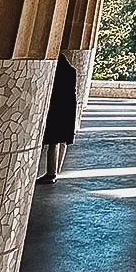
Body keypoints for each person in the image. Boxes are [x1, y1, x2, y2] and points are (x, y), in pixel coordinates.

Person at [37, 52, 78, 183]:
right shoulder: (71, 72)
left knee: (53, 142)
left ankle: (51, 173)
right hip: (69, 110)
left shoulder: (56, 74)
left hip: (57, 109)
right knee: (63, 141)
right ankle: (57, 170)